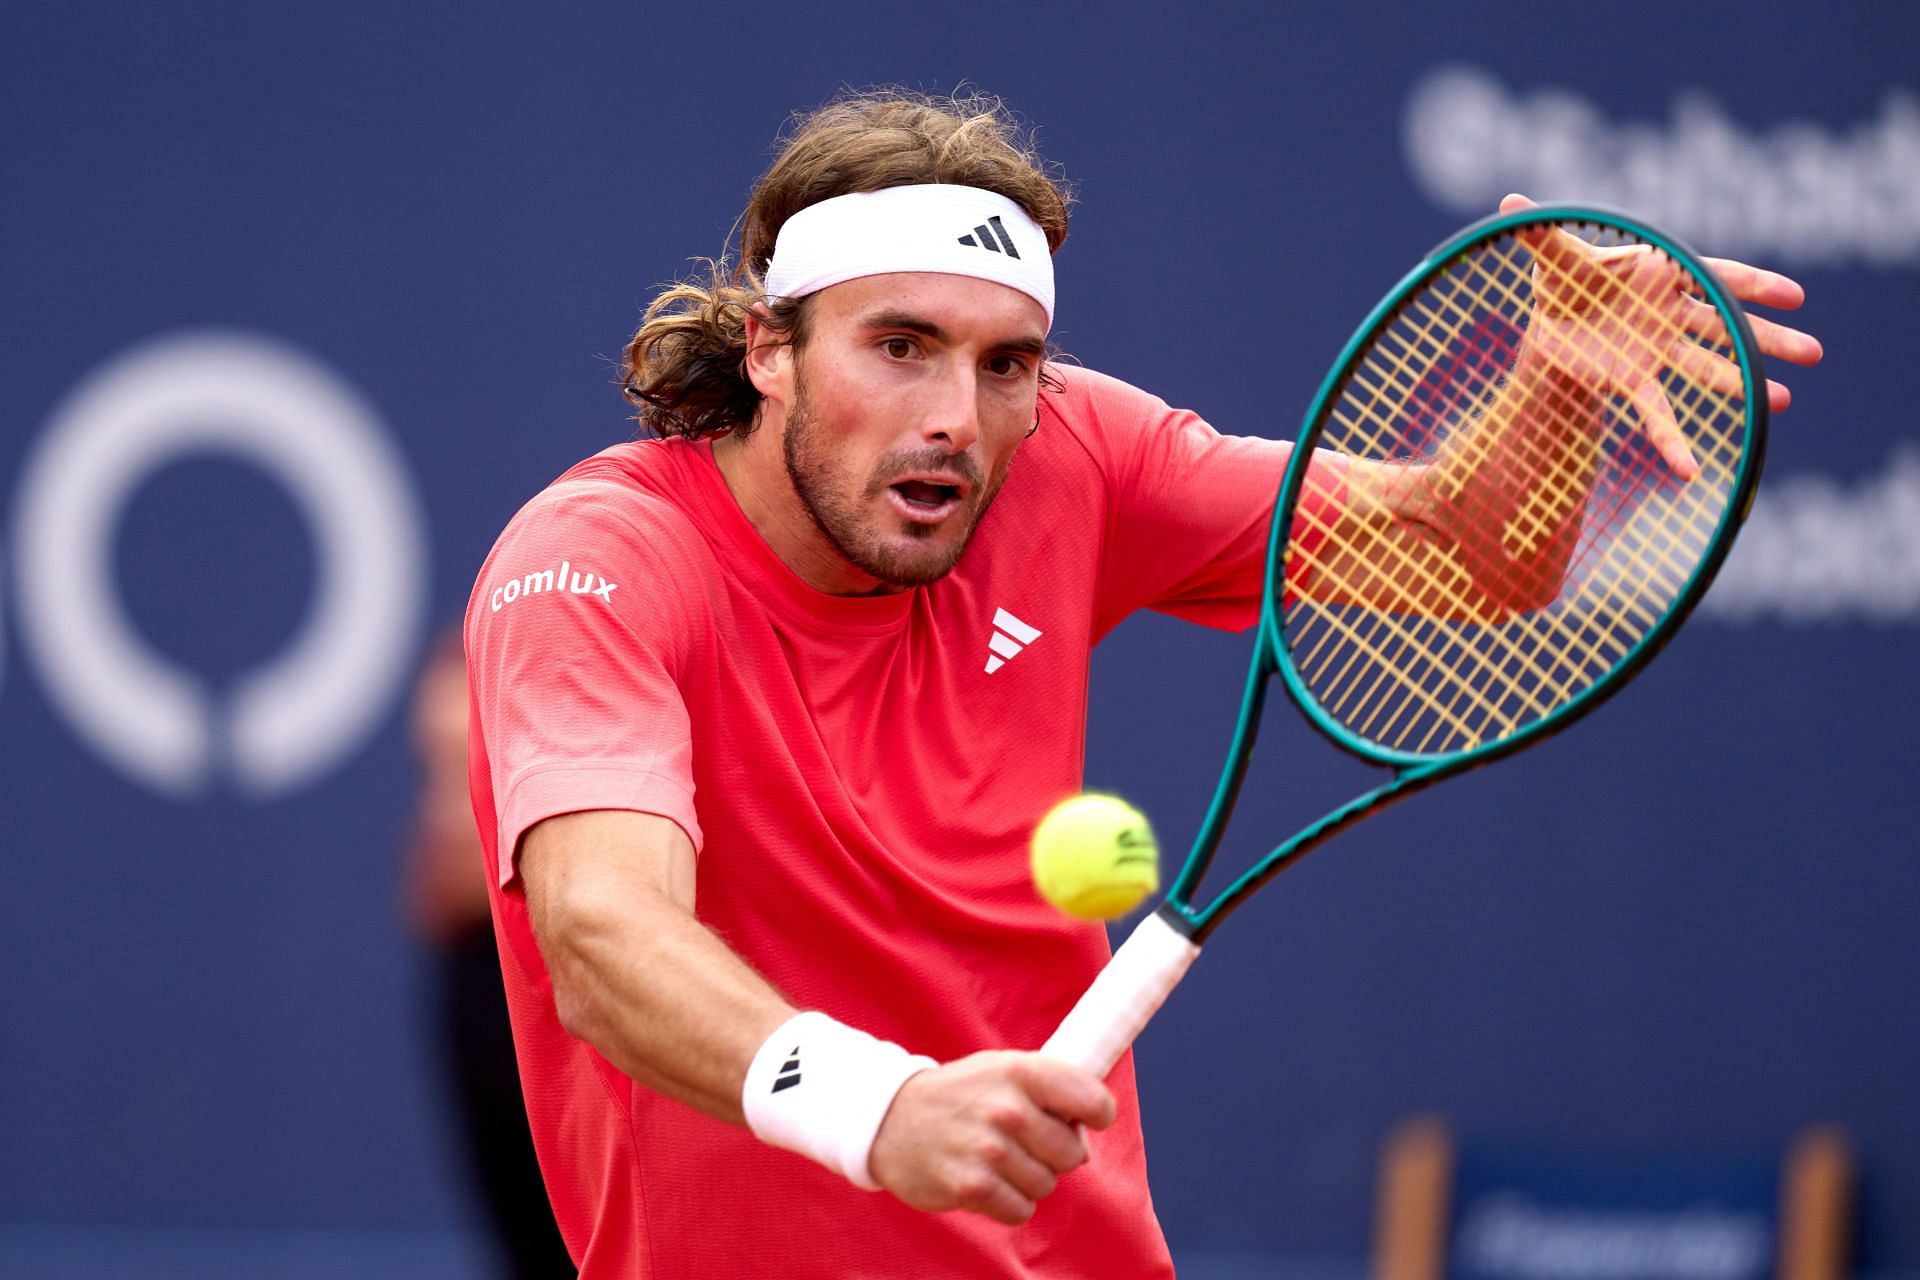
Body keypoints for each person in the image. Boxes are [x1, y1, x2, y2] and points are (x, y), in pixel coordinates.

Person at [463, 90, 1820, 1278]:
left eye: (1008, 365)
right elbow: (602, 938)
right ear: (771, 349)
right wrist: (878, 1109)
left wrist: (1554, 391)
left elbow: (1476, 559)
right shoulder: (598, 564)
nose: (956, 415)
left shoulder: (1073, 459)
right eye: (900, 345)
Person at [403, 631, 576, 1279]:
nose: (445, 815)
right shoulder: (466, 978)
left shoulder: (605, 975)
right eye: (433, 773)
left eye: (469, 771)